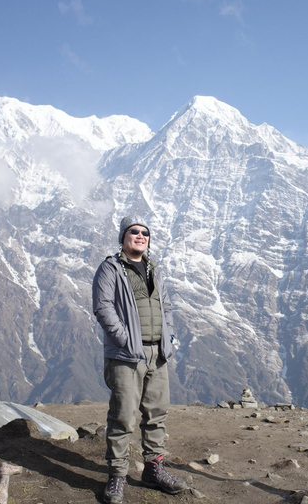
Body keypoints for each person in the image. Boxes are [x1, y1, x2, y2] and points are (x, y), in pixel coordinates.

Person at [92, 215, 188, 503]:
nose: (140, 236)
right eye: (134, 231)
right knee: (122, 416)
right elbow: (102, 307)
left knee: (156, 414)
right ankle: (117, 476)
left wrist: (168, 339)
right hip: (126, 355)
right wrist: (124, 340)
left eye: (145, 233)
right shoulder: (111, 268)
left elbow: (166, 306)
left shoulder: (153, 269)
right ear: (123, 236)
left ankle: (153, 468)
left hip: (157, 354)